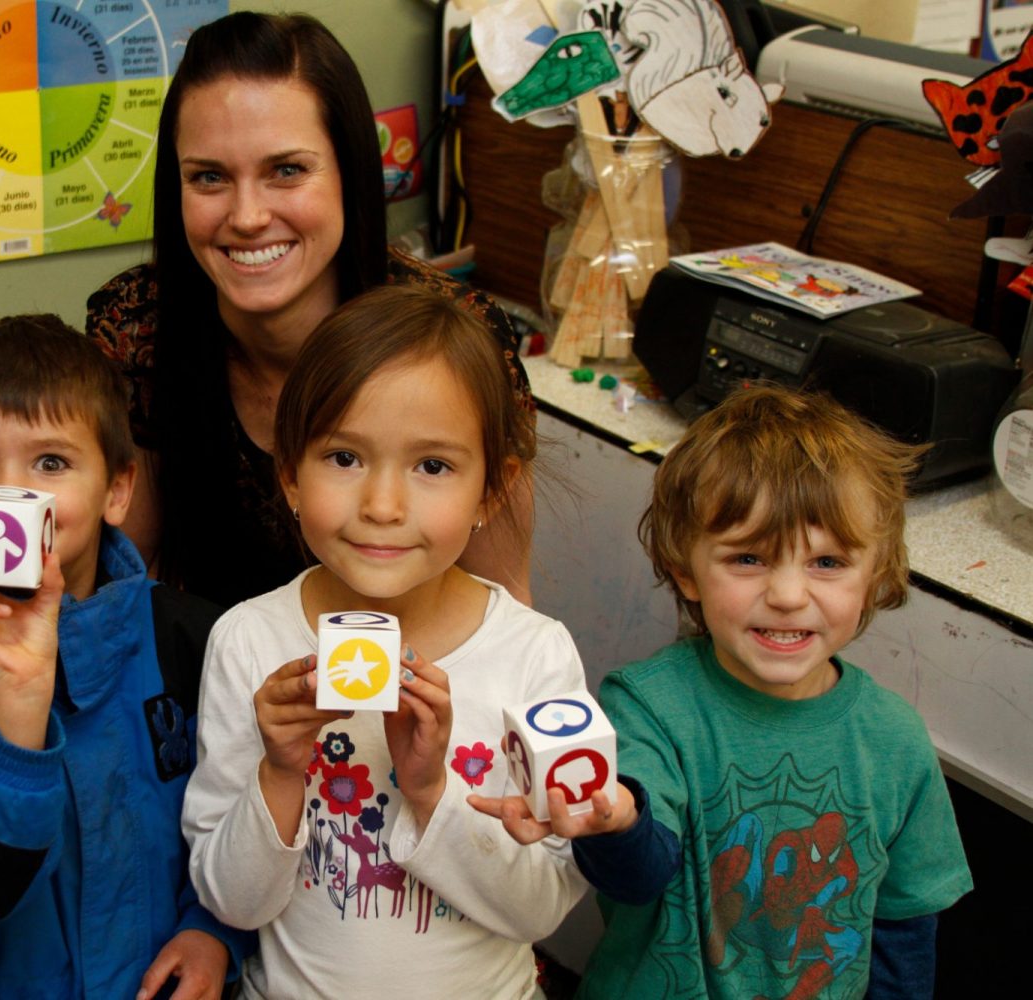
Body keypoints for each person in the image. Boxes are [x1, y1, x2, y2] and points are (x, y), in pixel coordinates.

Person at [469, 385, 973, 999]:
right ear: (686, 569)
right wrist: (618, 823)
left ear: (877, 574)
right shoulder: (648, 705)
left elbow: (904, 928)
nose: (788, 594)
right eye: (748, 559)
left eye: (827, 563)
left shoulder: (896, 740)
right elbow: (637, 880)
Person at [182, 286, 588, 998]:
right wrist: (281, 770)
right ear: (290, 476)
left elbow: (543, 906)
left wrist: (432, 789)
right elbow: (232, 901)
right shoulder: (249, 641)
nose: (382, 506)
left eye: (432, 466)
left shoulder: (534, 653)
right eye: (344, 457)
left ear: (492, 490)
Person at [87, 10, 535, 609]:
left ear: (349, 172)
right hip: (205, 679)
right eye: (210, 177)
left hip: (412, 684)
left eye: (288, 171)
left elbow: (502, 605)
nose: (247, 216)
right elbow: (113, 592)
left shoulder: (463, 338)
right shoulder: (138, 326)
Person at [0, 315, 251, 999]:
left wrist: (214, 931)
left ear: (116, 491)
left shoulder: (189, 637)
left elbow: (236, 819)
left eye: (50, 463)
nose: (12, 496)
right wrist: (17, 708)